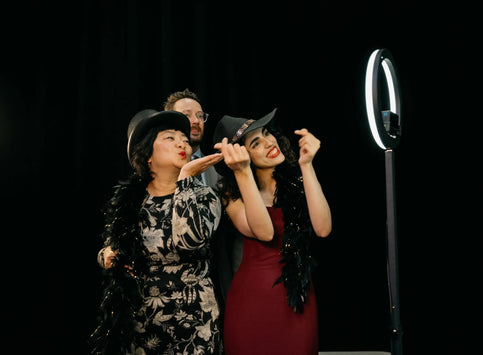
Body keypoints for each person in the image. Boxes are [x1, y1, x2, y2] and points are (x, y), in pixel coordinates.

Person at [90, 109, 224, 355]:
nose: (182, 142)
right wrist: (106, 256)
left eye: (184, 139)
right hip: (143, 324)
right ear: (147, 154)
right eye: (170, 138)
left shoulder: (205, 195)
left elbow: (189, 240)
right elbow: (108, 248)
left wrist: (184, 180)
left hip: (193, 323)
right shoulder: (129, 201)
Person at [212, 108, 332, 355]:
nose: (269, 142)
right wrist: (243, 172)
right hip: (252, 303)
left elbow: (323, 229)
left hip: (297, 300)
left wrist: (307, 166)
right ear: (241, 155)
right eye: (256, 142)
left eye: (268, 133)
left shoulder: (297, 183)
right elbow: (265, 232)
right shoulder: (231, 194)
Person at [163, 88, 241, 306]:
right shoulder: (159, 171)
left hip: (219, 272)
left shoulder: (219, 168)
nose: (196, 121)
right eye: (187, 115)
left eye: (200, 115)